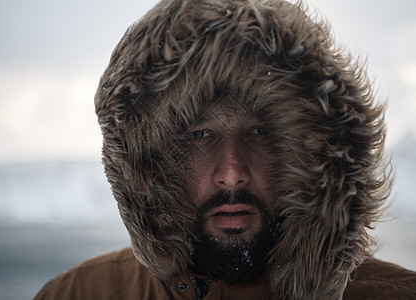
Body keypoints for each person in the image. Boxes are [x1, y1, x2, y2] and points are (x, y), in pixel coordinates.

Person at [35, 0, 416, 299]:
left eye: (261, 132)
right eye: (200, 135)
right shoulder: (79, 293)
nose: (232, 172)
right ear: (149, 163)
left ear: (314, 155)